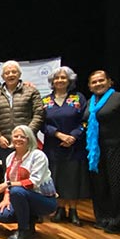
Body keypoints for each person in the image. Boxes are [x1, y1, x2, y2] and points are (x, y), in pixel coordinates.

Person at [83, 70, 120, 234]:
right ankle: (104, 219)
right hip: (96, 151)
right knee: (100, 186)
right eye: (94, 82)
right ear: (89, 86)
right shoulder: (90, 102)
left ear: (110, 82)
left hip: (119, 147)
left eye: (101, 80)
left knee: (119, 185)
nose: (97, 84)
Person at [41, 66, 90, 226]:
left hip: (74, 146)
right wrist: (58, 134)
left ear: (70, 80)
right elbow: (42, 124)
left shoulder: (78, 98)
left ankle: (74, 210)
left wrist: (73, 136)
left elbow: (85, 120)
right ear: (52, 82)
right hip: (53, 145)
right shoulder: (46, 101)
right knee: (57, 177)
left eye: (63, 77)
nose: (60, 80)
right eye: (57, 78)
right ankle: (60, 208)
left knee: (73, 177)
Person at [0, 125, 58, 239]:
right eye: (16, 136)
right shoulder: (10, 157)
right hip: (21, 197)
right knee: (1, 215)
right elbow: (8, 180)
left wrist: (7, 185)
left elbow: (33, 182)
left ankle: (24, 231)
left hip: (44, 199)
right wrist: (6, 199)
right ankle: (31, 219)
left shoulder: (38, 155)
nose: (18, 139)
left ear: (29, 139)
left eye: (23, 137)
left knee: (17, 191)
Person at [0, 60, 45, 162]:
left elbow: (39, 114)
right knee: (9, 174)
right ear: (3, 76)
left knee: (29, 174)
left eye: (14, 72)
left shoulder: (31, 91)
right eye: (7, 73)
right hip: (5, 143)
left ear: (20, 74)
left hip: (27, 142)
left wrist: (26, 135)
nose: (10, 75)